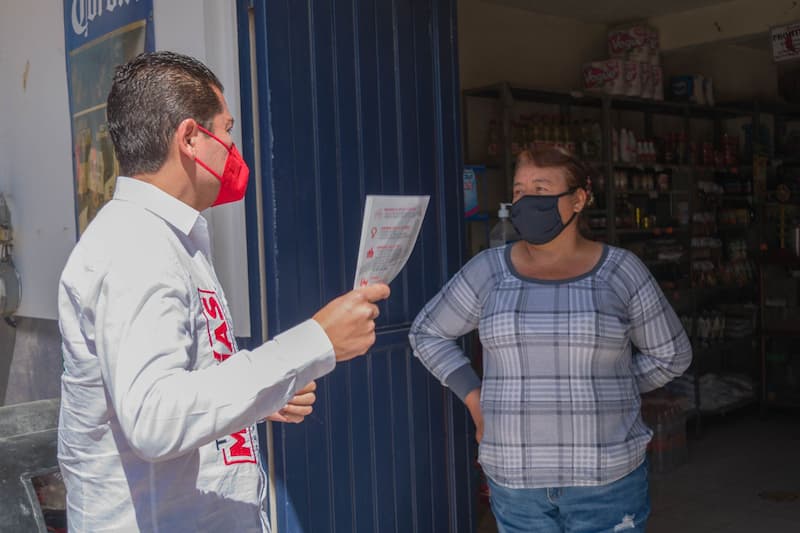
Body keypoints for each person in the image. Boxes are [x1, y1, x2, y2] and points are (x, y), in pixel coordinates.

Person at [57, 51, 390, 533]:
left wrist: (258, 395)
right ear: (191, 137)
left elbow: (180, 376)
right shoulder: (136, 244)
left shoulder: (164, 236)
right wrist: (316, 340)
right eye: (227, 129)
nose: (234, 146)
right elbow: (155, 417)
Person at [409, 147, 691, 533]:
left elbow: (671, 355)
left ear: (578, 198)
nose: (526, 200)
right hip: (516, 480)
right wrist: (475, 400)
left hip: (605, 477)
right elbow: (427, 332)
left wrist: (609, 385)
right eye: (520, 190)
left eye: (541, 188)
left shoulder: (622, 271)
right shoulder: (488, 271)